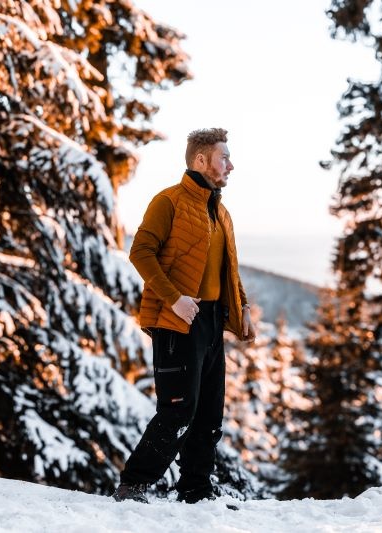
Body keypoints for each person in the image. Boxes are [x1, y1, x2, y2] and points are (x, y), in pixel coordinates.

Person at [113, 128, 256, 504]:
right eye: (224, 157)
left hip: (212, 321)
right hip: (176, 320)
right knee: (178, 409)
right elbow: (141, 252)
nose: (231, 165)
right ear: (201, 160)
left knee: (209, 414)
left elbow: (229, 268)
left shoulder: (221, 212)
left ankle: (196, 489)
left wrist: (242, 308)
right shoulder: (169, 201)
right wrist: (174, 299)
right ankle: (133, 484)